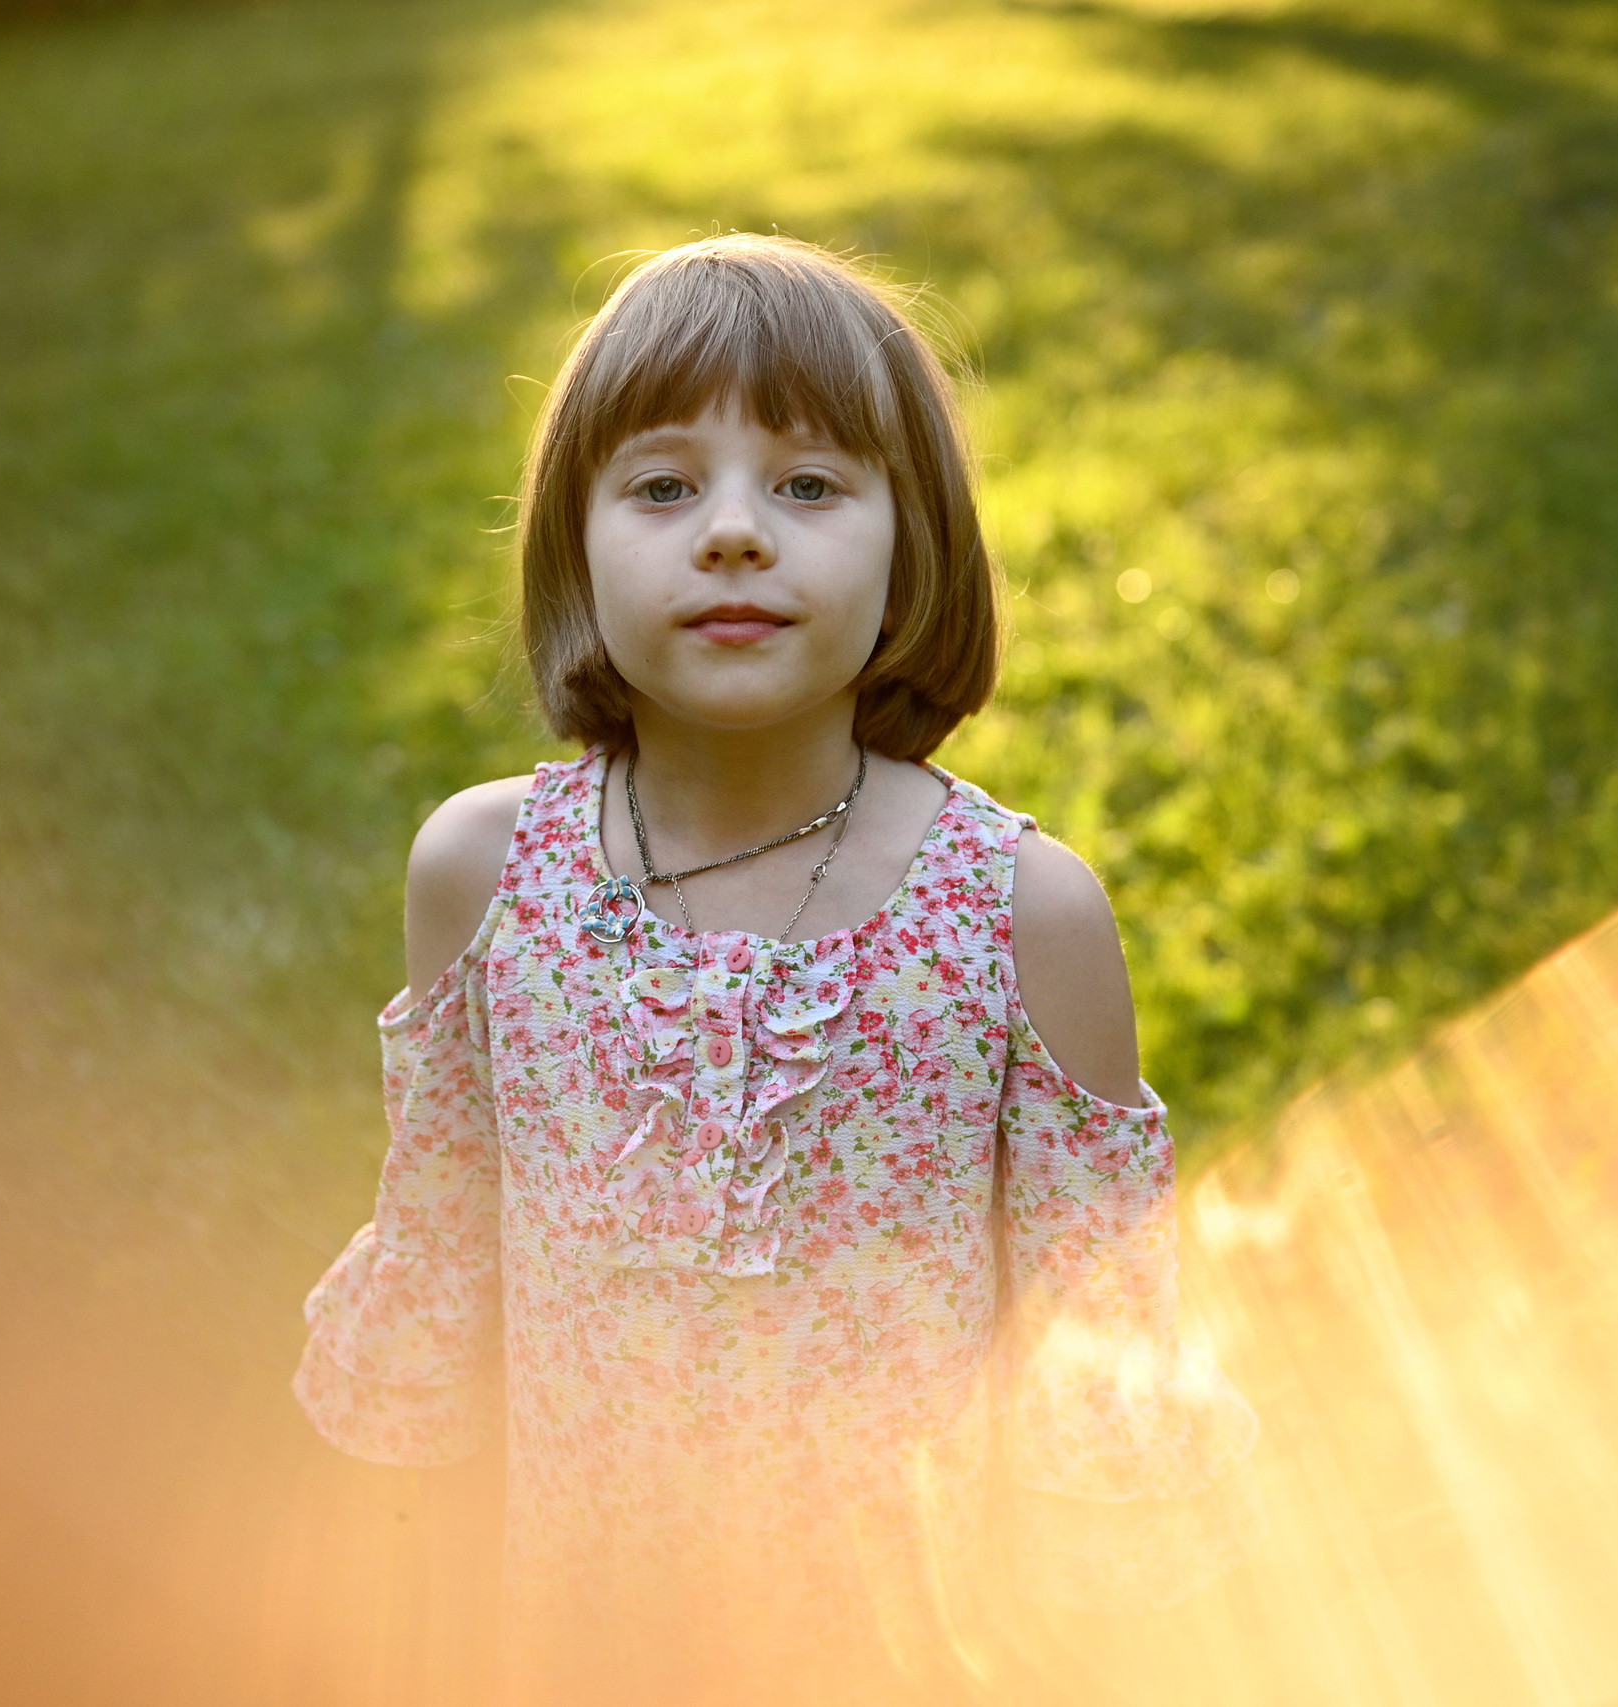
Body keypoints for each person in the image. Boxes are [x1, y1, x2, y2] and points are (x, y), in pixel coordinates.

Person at [292, 233, 1259, 1703]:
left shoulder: (1019, 918)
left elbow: (1095, 1354)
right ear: (575, 546)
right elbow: (443, 1272)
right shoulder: (486, 882)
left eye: (808, 486)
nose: (733, 533)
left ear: (910, 544)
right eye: (664, 486)